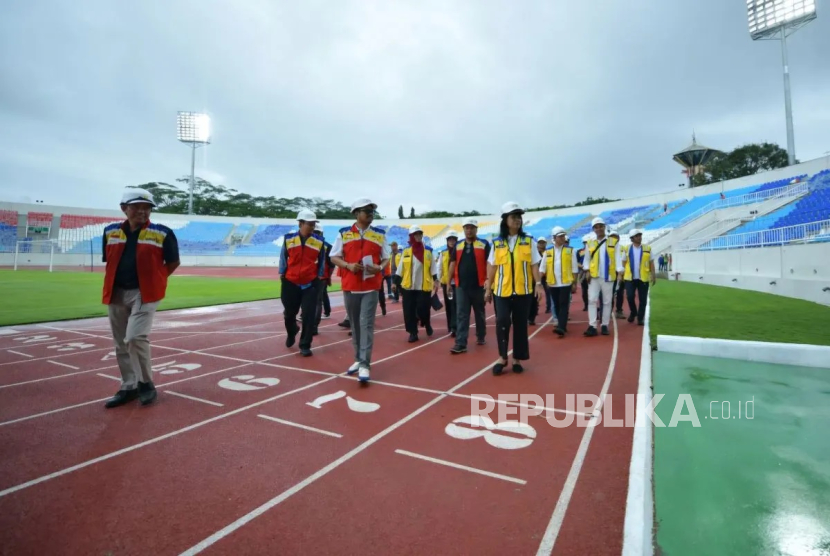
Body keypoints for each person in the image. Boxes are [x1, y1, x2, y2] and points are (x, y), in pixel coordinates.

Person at [101, 188, 180, 408]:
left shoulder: (163, 232)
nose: (142, 212)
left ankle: (146, 384)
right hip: (116, 292)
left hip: (145, 293)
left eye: (147, 208)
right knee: (120, 342)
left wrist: (157, 279)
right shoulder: (110, 231)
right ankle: (129, 386)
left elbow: (173, 262)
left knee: (135, 337)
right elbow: (109, 260)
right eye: (137, 207)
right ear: (124, 208)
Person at [329, 198, 390, 383]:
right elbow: (334, 256)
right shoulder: (344, 234)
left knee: (366, 324)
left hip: (371, 287)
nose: (370, 214)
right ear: (356, 213)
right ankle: (357, 358)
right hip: (350, 286)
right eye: (366, 211)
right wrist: (348, 265)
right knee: (355, 325)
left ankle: (365, 364)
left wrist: (379, 268)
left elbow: (386, 258)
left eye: (372, 211)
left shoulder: (379, 235)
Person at [484, 202, 544, 375]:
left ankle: (517, 358)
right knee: (502, 321)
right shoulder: (497, 243)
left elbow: (534, 265)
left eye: (519, 217)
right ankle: (503, 357)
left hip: (523, 291)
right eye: (514, 216)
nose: (517, 220)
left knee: (520, 325)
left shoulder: (528, 241)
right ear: (505, 220)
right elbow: (493, 266)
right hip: (501, 291)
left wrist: (538, 285)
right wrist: (488, 288)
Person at [279, 210, 325, 356]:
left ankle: (305, 344)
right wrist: (283, 274)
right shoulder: (288, 239)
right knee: (289, 314)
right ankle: (292, 330)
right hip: (290, 282)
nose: (312, 227)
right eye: (309, 224)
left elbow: (322, 262)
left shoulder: (318, 242)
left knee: (308, 315)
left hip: (310, 284)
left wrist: (317, 278)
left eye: (313, 224)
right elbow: (283, 258)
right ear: (300, 223)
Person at [448, 217, 490, 354]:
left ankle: (481, 335)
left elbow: (490, 264)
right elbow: (452, 263)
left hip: (479, 286)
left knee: (480, 313)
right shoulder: (458, 245)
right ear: (464, 229)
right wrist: (449, 282)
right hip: (461, 287)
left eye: (472, 227)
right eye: (467, 227)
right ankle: (461, 343)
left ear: (476, 229)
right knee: (462, 314)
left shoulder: (484, 244)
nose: (469, 230)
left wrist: (489, 282)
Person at [393, 226, 439, 342]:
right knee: (408, 310)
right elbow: (400, 268)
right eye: (416, 234)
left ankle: (426, 323)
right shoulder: (406, 252)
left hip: (423, 286)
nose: (418, 236)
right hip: (408, 287)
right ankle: (413, 332)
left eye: (420, 234)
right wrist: (395, 283)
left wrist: (436, 280)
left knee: (423, 309)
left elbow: (433, 267)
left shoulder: (428, 251)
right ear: (411, 236)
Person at [583, 217, 623, 337]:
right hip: (594, 276)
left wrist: (620, 272)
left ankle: (605, 325)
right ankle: (592, 325)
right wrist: (587, 271)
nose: (599, 228)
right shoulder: (589, 242)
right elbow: (587, 259)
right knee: (592, 300)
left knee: (607, 302)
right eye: (596, 227)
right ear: (593, 229)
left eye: (601, 226)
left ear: (604, 227)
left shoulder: (613, 242)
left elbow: (618, 258)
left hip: (608, 276)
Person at [539, 226, 579, 337]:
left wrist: (574, 283)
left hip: (566, 283)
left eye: (563, 236)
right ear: (554, 238)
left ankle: (561, 327)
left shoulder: (570, 251)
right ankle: (562, 325)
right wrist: (537, 282)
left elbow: (574, 268)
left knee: (563, 304)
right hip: (552, 283)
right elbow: (542, 268)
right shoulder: (548, 252)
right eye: (560, 236)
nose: (562, 238)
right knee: (556, 305)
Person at [622, 228, 656, 325]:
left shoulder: (647, 248)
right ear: (632, 238)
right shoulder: (627, 248)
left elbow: (651, 262)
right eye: (637, 236)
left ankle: (640, 318)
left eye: (640, 235)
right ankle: (633, 312)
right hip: (629, 278)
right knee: (630, 296)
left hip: (643, 278)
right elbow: (623, 263)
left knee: (643, 300)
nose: (639, 237)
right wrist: (620, 275)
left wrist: (653, 275)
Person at [438, 231, 459, 337]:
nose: (452, 241)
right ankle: (450, 326)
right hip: (446, 283)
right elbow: (440, 267)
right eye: (450, 240)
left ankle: (455, 327)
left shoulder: (460, 252)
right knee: (449, 305)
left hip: (457, 283)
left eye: (454, 239)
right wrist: (437, 280)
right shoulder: (443, 253)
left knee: (456, 304)